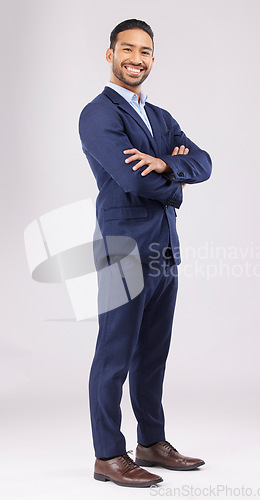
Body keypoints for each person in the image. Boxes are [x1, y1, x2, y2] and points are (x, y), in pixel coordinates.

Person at [78, 18, 212, 488]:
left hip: (163, 251)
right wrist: (175, 184)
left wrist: (168, 163)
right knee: (115, 354)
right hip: (123, 250)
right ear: (110, 53)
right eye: (128, 49)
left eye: (146, 51)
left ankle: (151, 442)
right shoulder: (99, 114)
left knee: (153, 354)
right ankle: (107, 455)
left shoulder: (160, 117)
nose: (137, 59)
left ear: (153, 58)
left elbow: (204, 162)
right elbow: (135, 179)